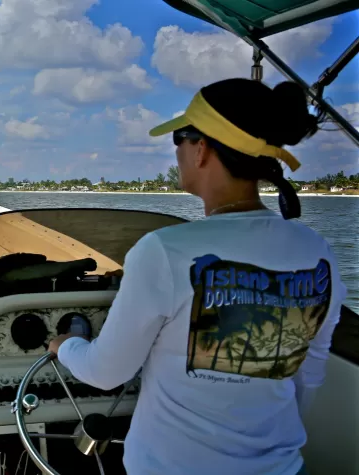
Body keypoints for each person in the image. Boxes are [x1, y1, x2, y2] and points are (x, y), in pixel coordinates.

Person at [48, 78, 346, 475]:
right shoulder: (317, 251)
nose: (177, 152)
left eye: (179, 139)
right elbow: (307, 375)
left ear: (201, 149)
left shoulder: (165, 251)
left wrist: (66, 346)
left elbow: (105, 372)